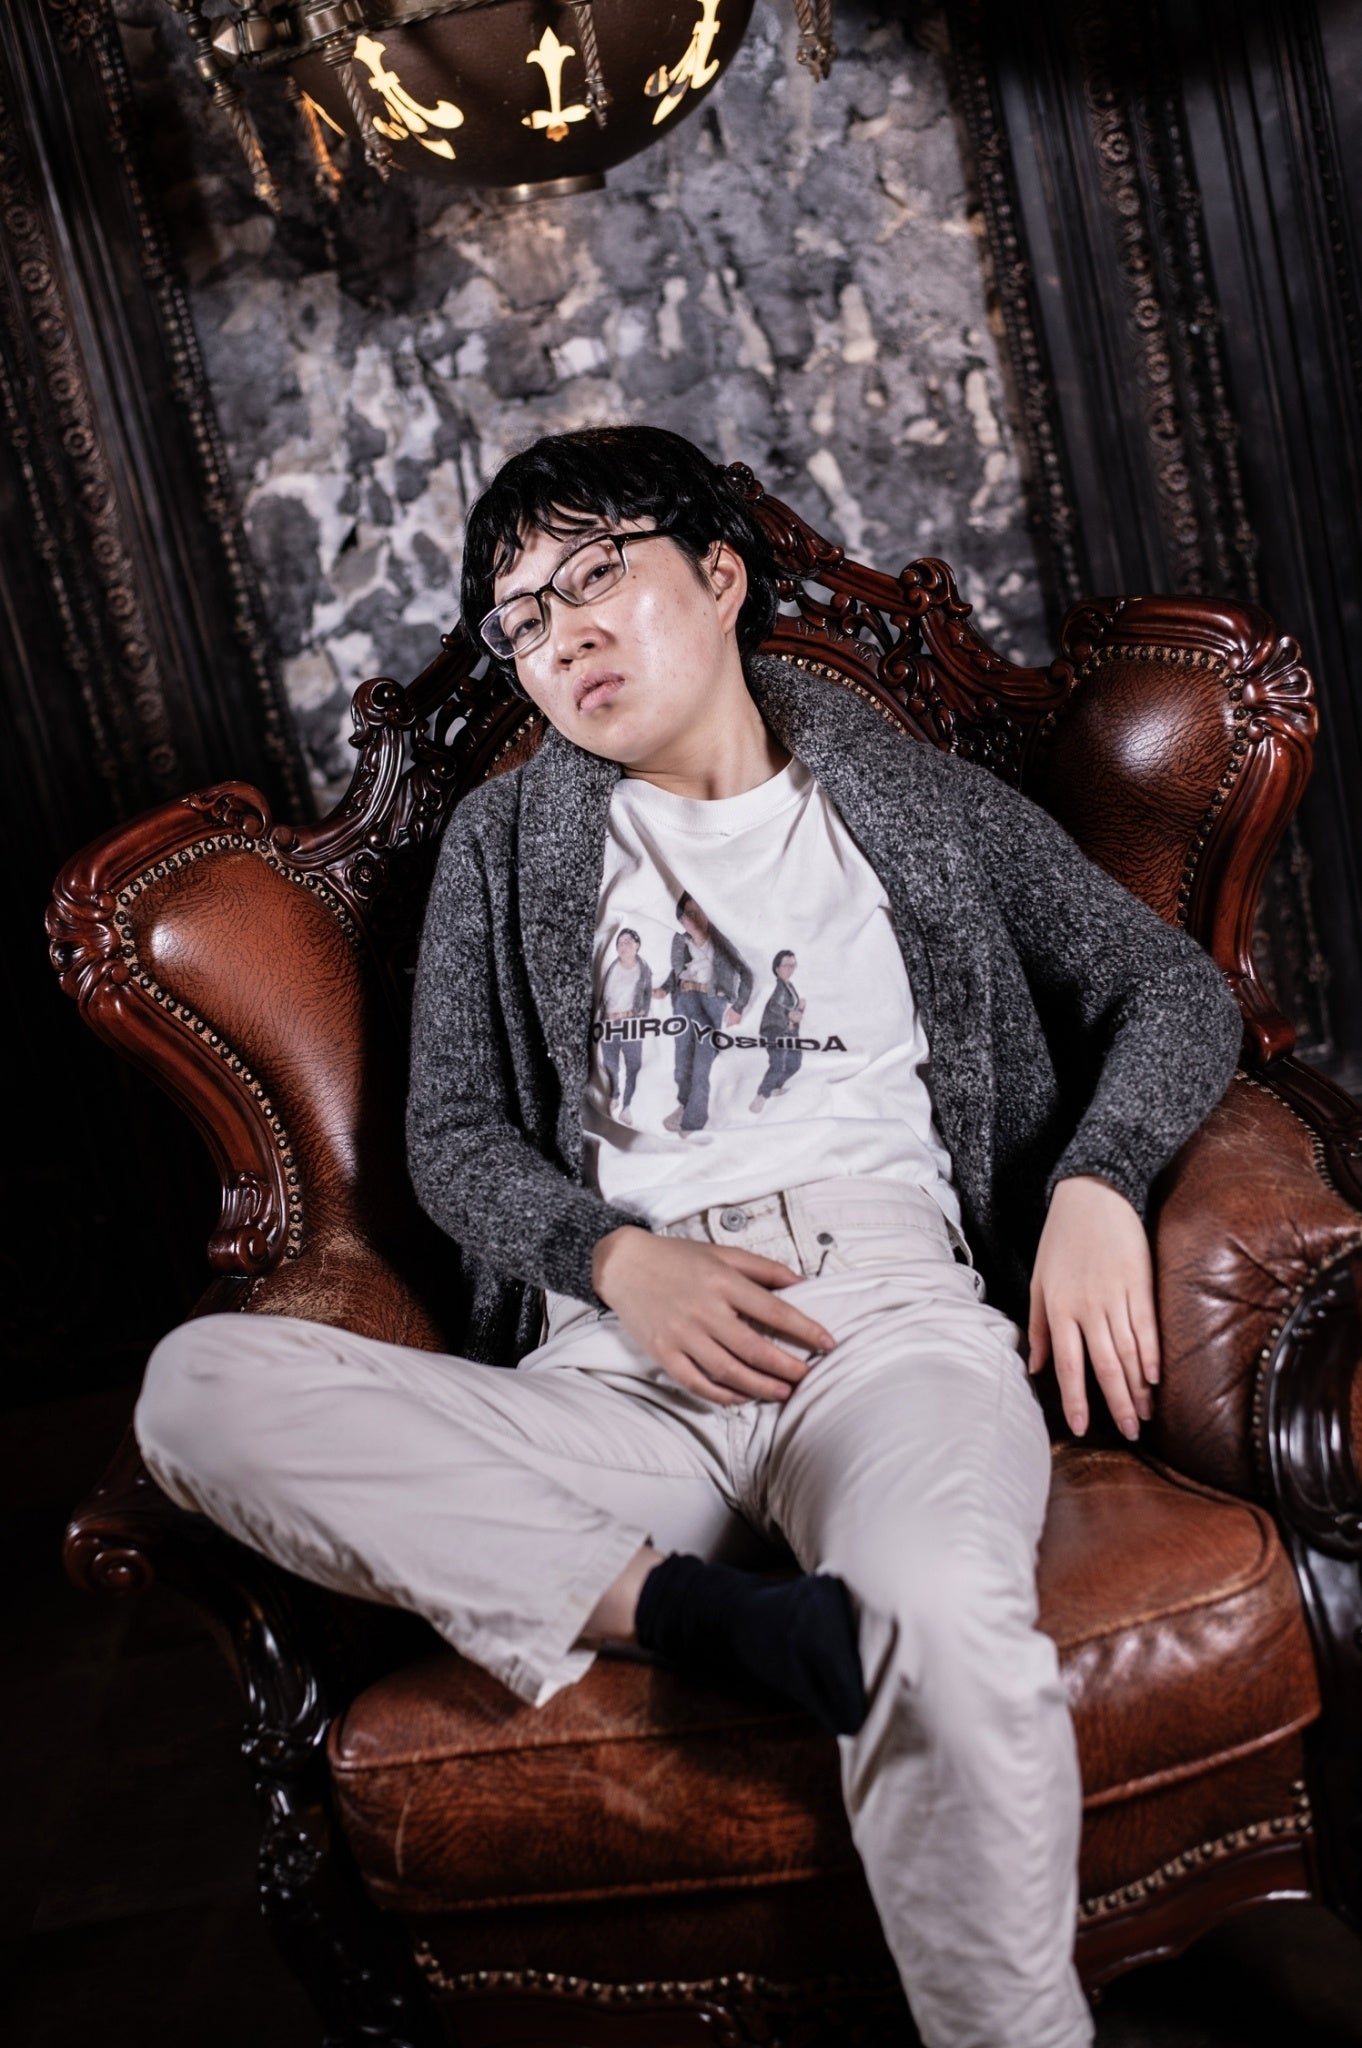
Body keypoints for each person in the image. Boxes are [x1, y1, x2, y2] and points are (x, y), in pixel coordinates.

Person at [133, 425, 1242, 2048]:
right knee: (195, 1391)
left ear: (718, 576)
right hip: (618, 1368)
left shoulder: (908, 797)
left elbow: (1167, 987)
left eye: (595, 575)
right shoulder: (504, 843)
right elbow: (451, 1139)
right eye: (520, 617)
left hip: (882, 1327)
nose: (559, 634)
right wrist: (610, 1258)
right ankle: (715, 1622)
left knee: (941, 1625)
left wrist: (1099, 1180)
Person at [655, 891, 754, 1133]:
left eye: (700, 911)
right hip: (683, 1000)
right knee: (682, 1062)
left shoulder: (722, 941)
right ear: (681, 919)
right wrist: (665, 989)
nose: (696, 918)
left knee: (702, 1062)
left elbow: (746, 973)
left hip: (711, 1002)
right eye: (689, 914)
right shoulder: (680, 940)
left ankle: (693, 1123)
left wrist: (739, 1006)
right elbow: (677, 971)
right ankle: (684, 1105)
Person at [596, 925, 653, 1125]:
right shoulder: (611, 967)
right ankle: (614, 1093)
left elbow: (647, 993)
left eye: (628, 942)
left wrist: (643, 1011)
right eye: (620, 943)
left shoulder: (643, 969)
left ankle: (628, 1106)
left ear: (637, 945)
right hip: (609, 1022)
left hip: (631, 1023)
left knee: (633, 1065)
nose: (623, 946)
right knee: (609, 1062)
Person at [752, 947, 805, 1110]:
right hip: (775, 1030)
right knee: (778, 1064)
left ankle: (775, 1087)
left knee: (795, 1063)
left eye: (793, 965)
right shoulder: (776, 987)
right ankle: (761, 1096)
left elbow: (794, 1012)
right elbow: (775, 1006)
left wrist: (800, 1008)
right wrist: (790, 1013)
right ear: (777, 968)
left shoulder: (790, 986)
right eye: (786, 965)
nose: (790, 969)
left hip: (790, 1031)